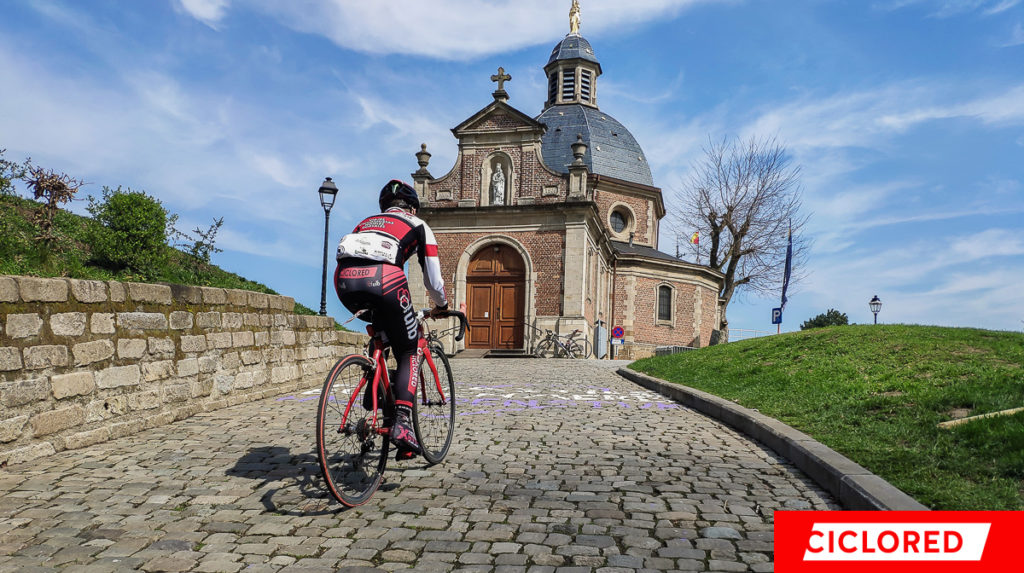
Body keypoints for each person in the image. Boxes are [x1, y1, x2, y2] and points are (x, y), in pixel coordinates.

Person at [334, 179, 448, 459]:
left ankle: (377, 381)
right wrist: (441, 304)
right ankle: (403, 423)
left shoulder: (366, 222)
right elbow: (432, 279)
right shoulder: (418, 225)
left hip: (346, 283)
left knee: (384, 336)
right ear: (412, 207)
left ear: (384, 207)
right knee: (409, 349)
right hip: (386, 281)